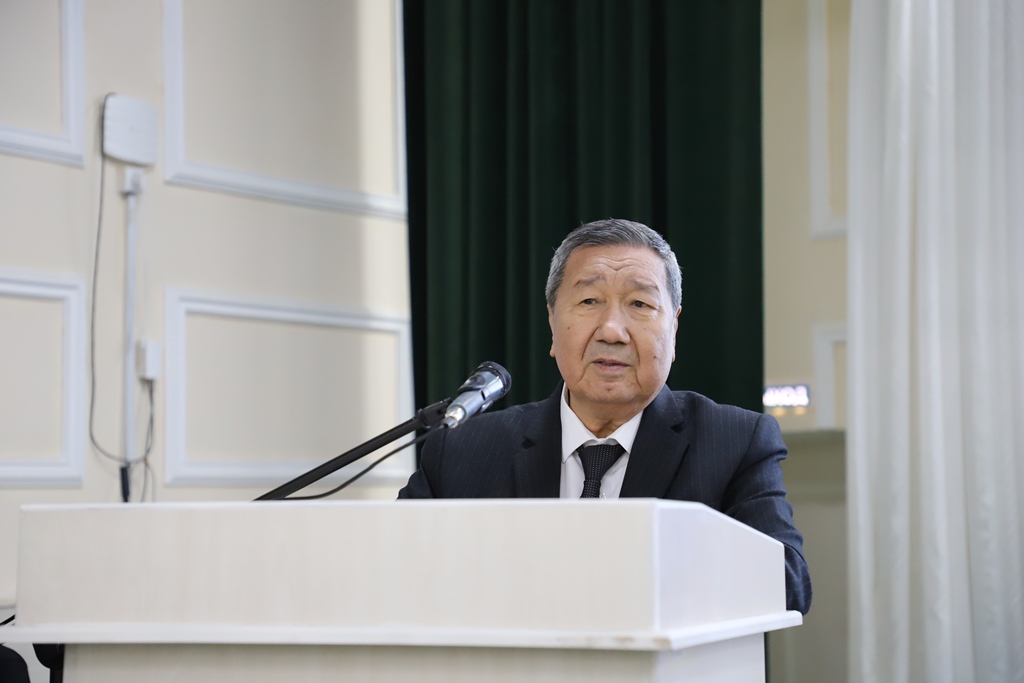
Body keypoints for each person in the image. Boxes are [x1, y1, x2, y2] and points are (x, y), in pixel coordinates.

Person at [399, 218, 811, 615]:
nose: (612, 331)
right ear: (552, 322)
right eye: (589, 301)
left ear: (673, 329)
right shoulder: (463, 450)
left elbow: (786, 584)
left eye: (640, 304)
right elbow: (394, 573)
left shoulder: (736, 442)